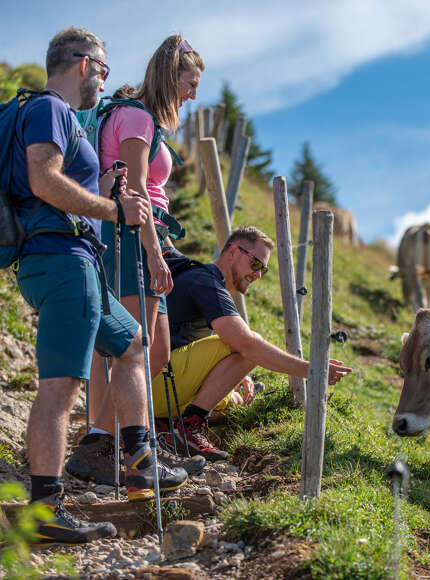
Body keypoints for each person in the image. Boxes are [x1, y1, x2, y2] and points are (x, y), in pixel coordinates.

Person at [11, 27, 187, 544]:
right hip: (61, 261)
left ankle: (139, 464)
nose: (106, 80)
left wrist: (106, 186)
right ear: (84, 64)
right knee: (61, 385)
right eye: (104, 69)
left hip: (76, 259)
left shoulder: (62, 119)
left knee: (131, 341)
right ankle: (45, 509)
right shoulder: (48, 109)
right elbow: (44, 181)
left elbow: (55, 187)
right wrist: (113, 208)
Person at [82, 34, 204, 447]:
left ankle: (111, 439)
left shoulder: (140, 117)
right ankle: (102, 443)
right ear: (172, 77)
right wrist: (155, 253)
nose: (192, 95)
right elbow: (134, 190)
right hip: (131, 236)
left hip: (142, 237)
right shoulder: (137, 119)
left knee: (156, 351)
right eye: (190, 83)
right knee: (133, 348)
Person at [152, 226, 353, 461]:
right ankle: (186, 430)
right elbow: (247, 345)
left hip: (157, 383)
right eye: (256, 264)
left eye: (263, 270)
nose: (258, 275)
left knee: (235, 400)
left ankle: (164, 425)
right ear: (233, 252)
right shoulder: (205, 281)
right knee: (248, 349)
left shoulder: (201, 278)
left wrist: (236, 375)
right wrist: (313, 370)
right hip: (156, 381)